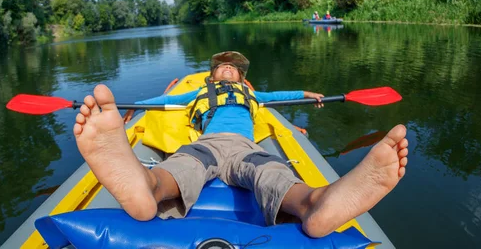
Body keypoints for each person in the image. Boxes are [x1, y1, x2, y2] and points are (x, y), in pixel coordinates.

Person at [74, 51, 408, 238]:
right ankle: (146, 187)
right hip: (208, 145)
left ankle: (315, 202)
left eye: (234, 68)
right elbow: (165, 101)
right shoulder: (199, 92)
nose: (229, 70)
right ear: (213, 76)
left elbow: (278, 96)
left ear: (242, 77)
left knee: (272, 173)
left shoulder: (252, 93)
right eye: (223, 67)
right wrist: (130, 106)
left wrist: (306, 94)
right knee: (182, 166)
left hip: (248, 150)